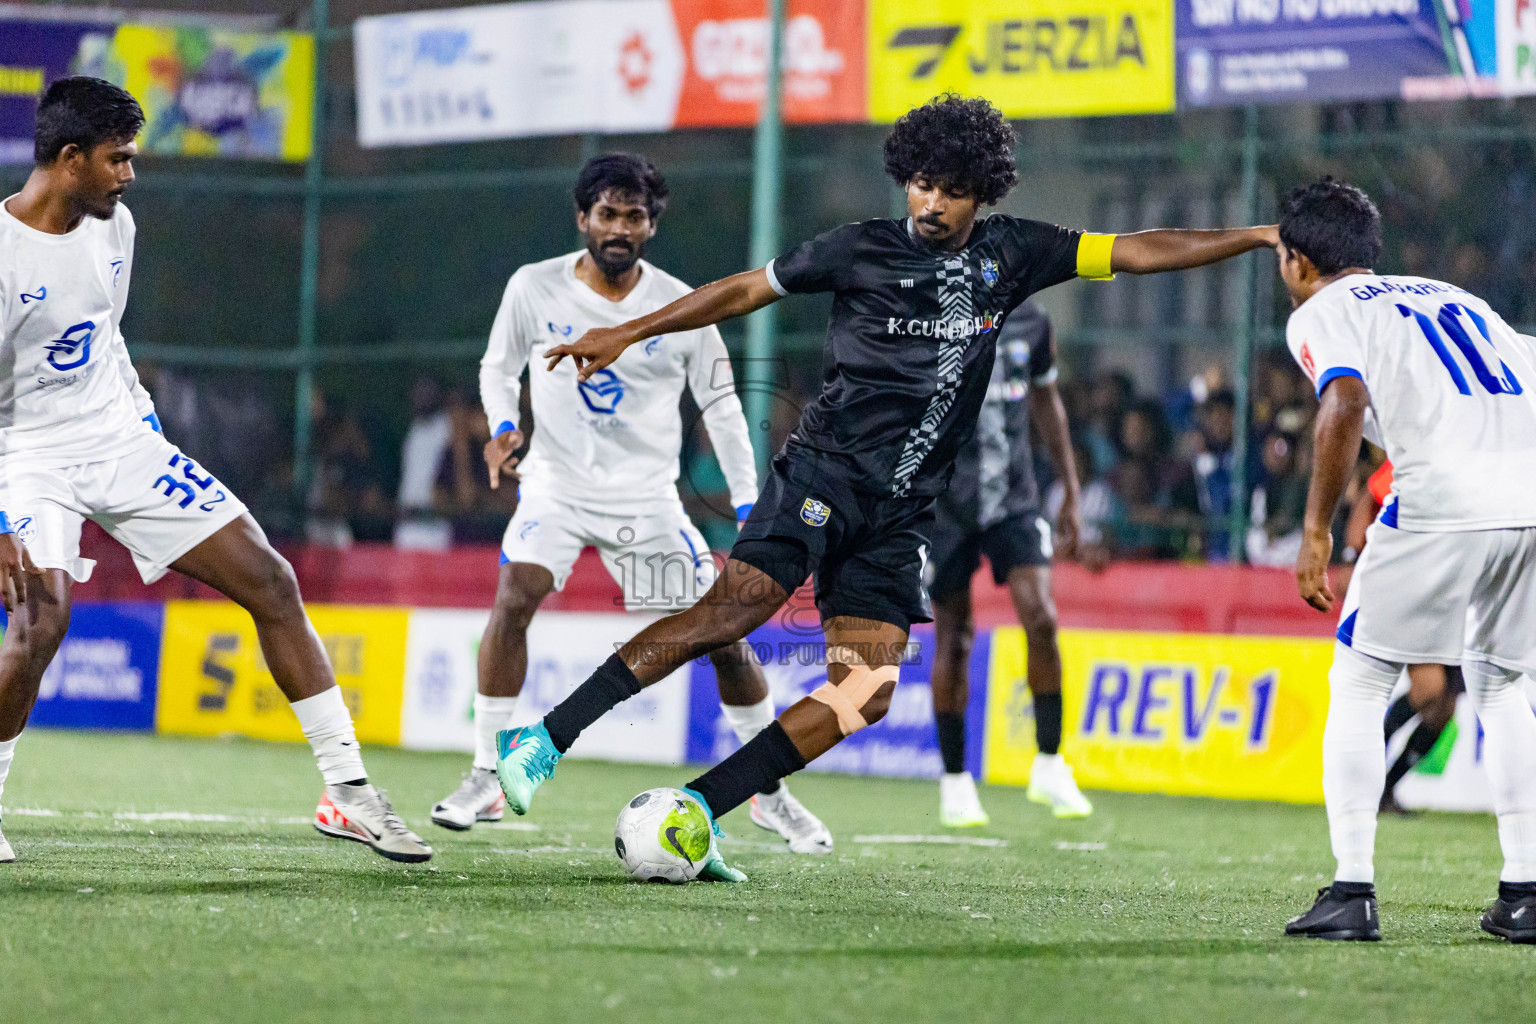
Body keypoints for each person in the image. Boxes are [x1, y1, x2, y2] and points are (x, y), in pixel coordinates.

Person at [495, 94, 1276, 881]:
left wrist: (1254, 236)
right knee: (731, 613)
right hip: (822, 475)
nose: (933, 204)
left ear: (985, 192)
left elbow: (1138, 250)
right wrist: (627, 331)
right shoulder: (857, 249)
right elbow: (740, 291)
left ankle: (699, 809)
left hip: (901, 512)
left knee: (865, 691)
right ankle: (546, 738)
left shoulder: (1016, 254)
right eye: (922, 185)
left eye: (952, 190)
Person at [0, 77, 430, 864]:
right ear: (68, 159)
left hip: (123, 443)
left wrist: (146, 431)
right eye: (117, 159)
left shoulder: (115, 226)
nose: (130, 175)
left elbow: (105, 335)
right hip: (25, 457)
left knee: (270, 578)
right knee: (41, 621)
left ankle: (349, 792)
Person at [431, 153, 831, 854]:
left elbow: (723, 408)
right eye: (608, 214)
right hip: (555, 484)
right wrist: (502, 430)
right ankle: (487, 773)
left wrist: (748, 509)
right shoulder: (534, 287)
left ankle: (770, 793)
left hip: (647, 501)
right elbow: (497, 368)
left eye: (635, 216)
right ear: (583, 218)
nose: (620, 227)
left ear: (652, 225)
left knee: (724, 637)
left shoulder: (682, 305)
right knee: (515, 593)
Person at [1278, 179, 1536, 944]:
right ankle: (1525, 893)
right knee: (1503, 685)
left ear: (1296, 261)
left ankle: (1351, 891)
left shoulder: (1321, 311)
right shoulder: (1452, 296)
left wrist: (1317, 530)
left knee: (1359, 679)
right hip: (1528, 495)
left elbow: (1345, 400)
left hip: (1441, 495)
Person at [924, 300, 1093, 827]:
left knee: (1041, 617)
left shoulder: (1033, 319)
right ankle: (955, 781)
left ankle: (1049, 763)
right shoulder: (927, 310)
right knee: (955, 637)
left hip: (1014, 497)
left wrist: (1070, 486)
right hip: (944, 501)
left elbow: (1048, 401)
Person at [1344, 461, 1462, 817]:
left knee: (1443, 710)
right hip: (1410, 581)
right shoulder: (1420, 452)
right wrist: (1352, 555)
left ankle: (1387, 789)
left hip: (1452, 589)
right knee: (1429, 689)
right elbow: (1373, 491)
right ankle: (1364, 768)